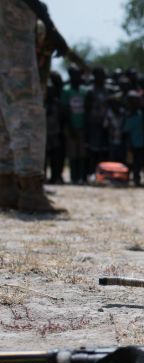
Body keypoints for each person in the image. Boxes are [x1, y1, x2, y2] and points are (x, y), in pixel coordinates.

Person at [0, 0, 68, 212]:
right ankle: (30, 191)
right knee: (27, 111)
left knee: (3, 112)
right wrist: (50, 26)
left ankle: (5, 186)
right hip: (14, 34)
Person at [61, 66, 88, 184]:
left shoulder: (84, 90)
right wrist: (70, 127)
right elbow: (65, 110)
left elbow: (87, 109)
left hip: (83, 125)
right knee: (72, 153)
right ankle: (73, 177)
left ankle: (81, 177)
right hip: (71, 126)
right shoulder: (66, 90)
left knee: (82, 153)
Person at [85, 66, 109, 175]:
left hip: (105, 124)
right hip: (93, 123)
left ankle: (102, 173)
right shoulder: (90, 91)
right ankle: (90, 173)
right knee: (92, 149)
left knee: (103, 150)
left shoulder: (106, 90)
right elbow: (87, 108)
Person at [122, 90, 144, 186]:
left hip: (140, 142)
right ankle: (127, 178)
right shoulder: (128, 116)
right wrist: (128, 143)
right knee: (130, 162)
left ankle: (137, 178)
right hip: (131, 143)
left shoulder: (141, 114)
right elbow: (125, 132)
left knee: (138, 162)